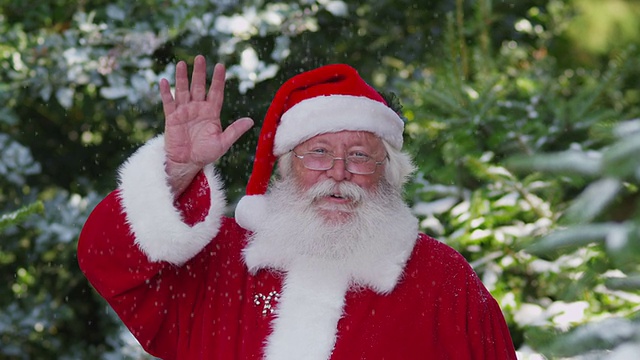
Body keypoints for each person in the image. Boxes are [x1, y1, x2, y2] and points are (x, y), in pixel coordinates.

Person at [78, 55, 517, 360]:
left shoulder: (440, 277)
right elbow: (108, 257)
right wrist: (178, 169)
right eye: (318, 152)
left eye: (360, 156)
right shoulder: (225, 259)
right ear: (286, 168)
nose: (339, 172)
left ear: (389, 172)